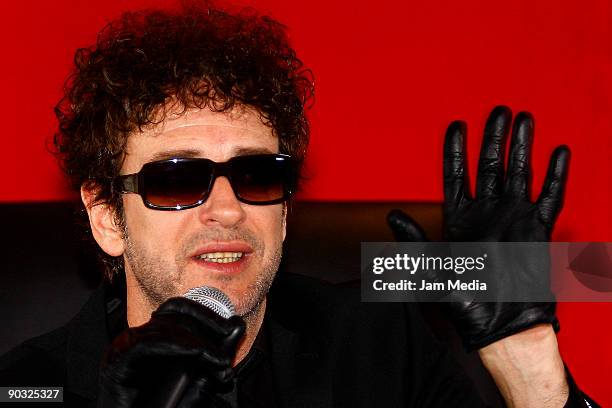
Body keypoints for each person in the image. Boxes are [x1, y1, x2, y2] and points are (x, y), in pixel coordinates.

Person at [0, 2, 598, 407]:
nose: (229, 209)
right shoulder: (31, 385)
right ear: (107, 216)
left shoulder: (379, 347)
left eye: (258, 175)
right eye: (179, 180)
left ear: (285, 212)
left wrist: (528, 362)